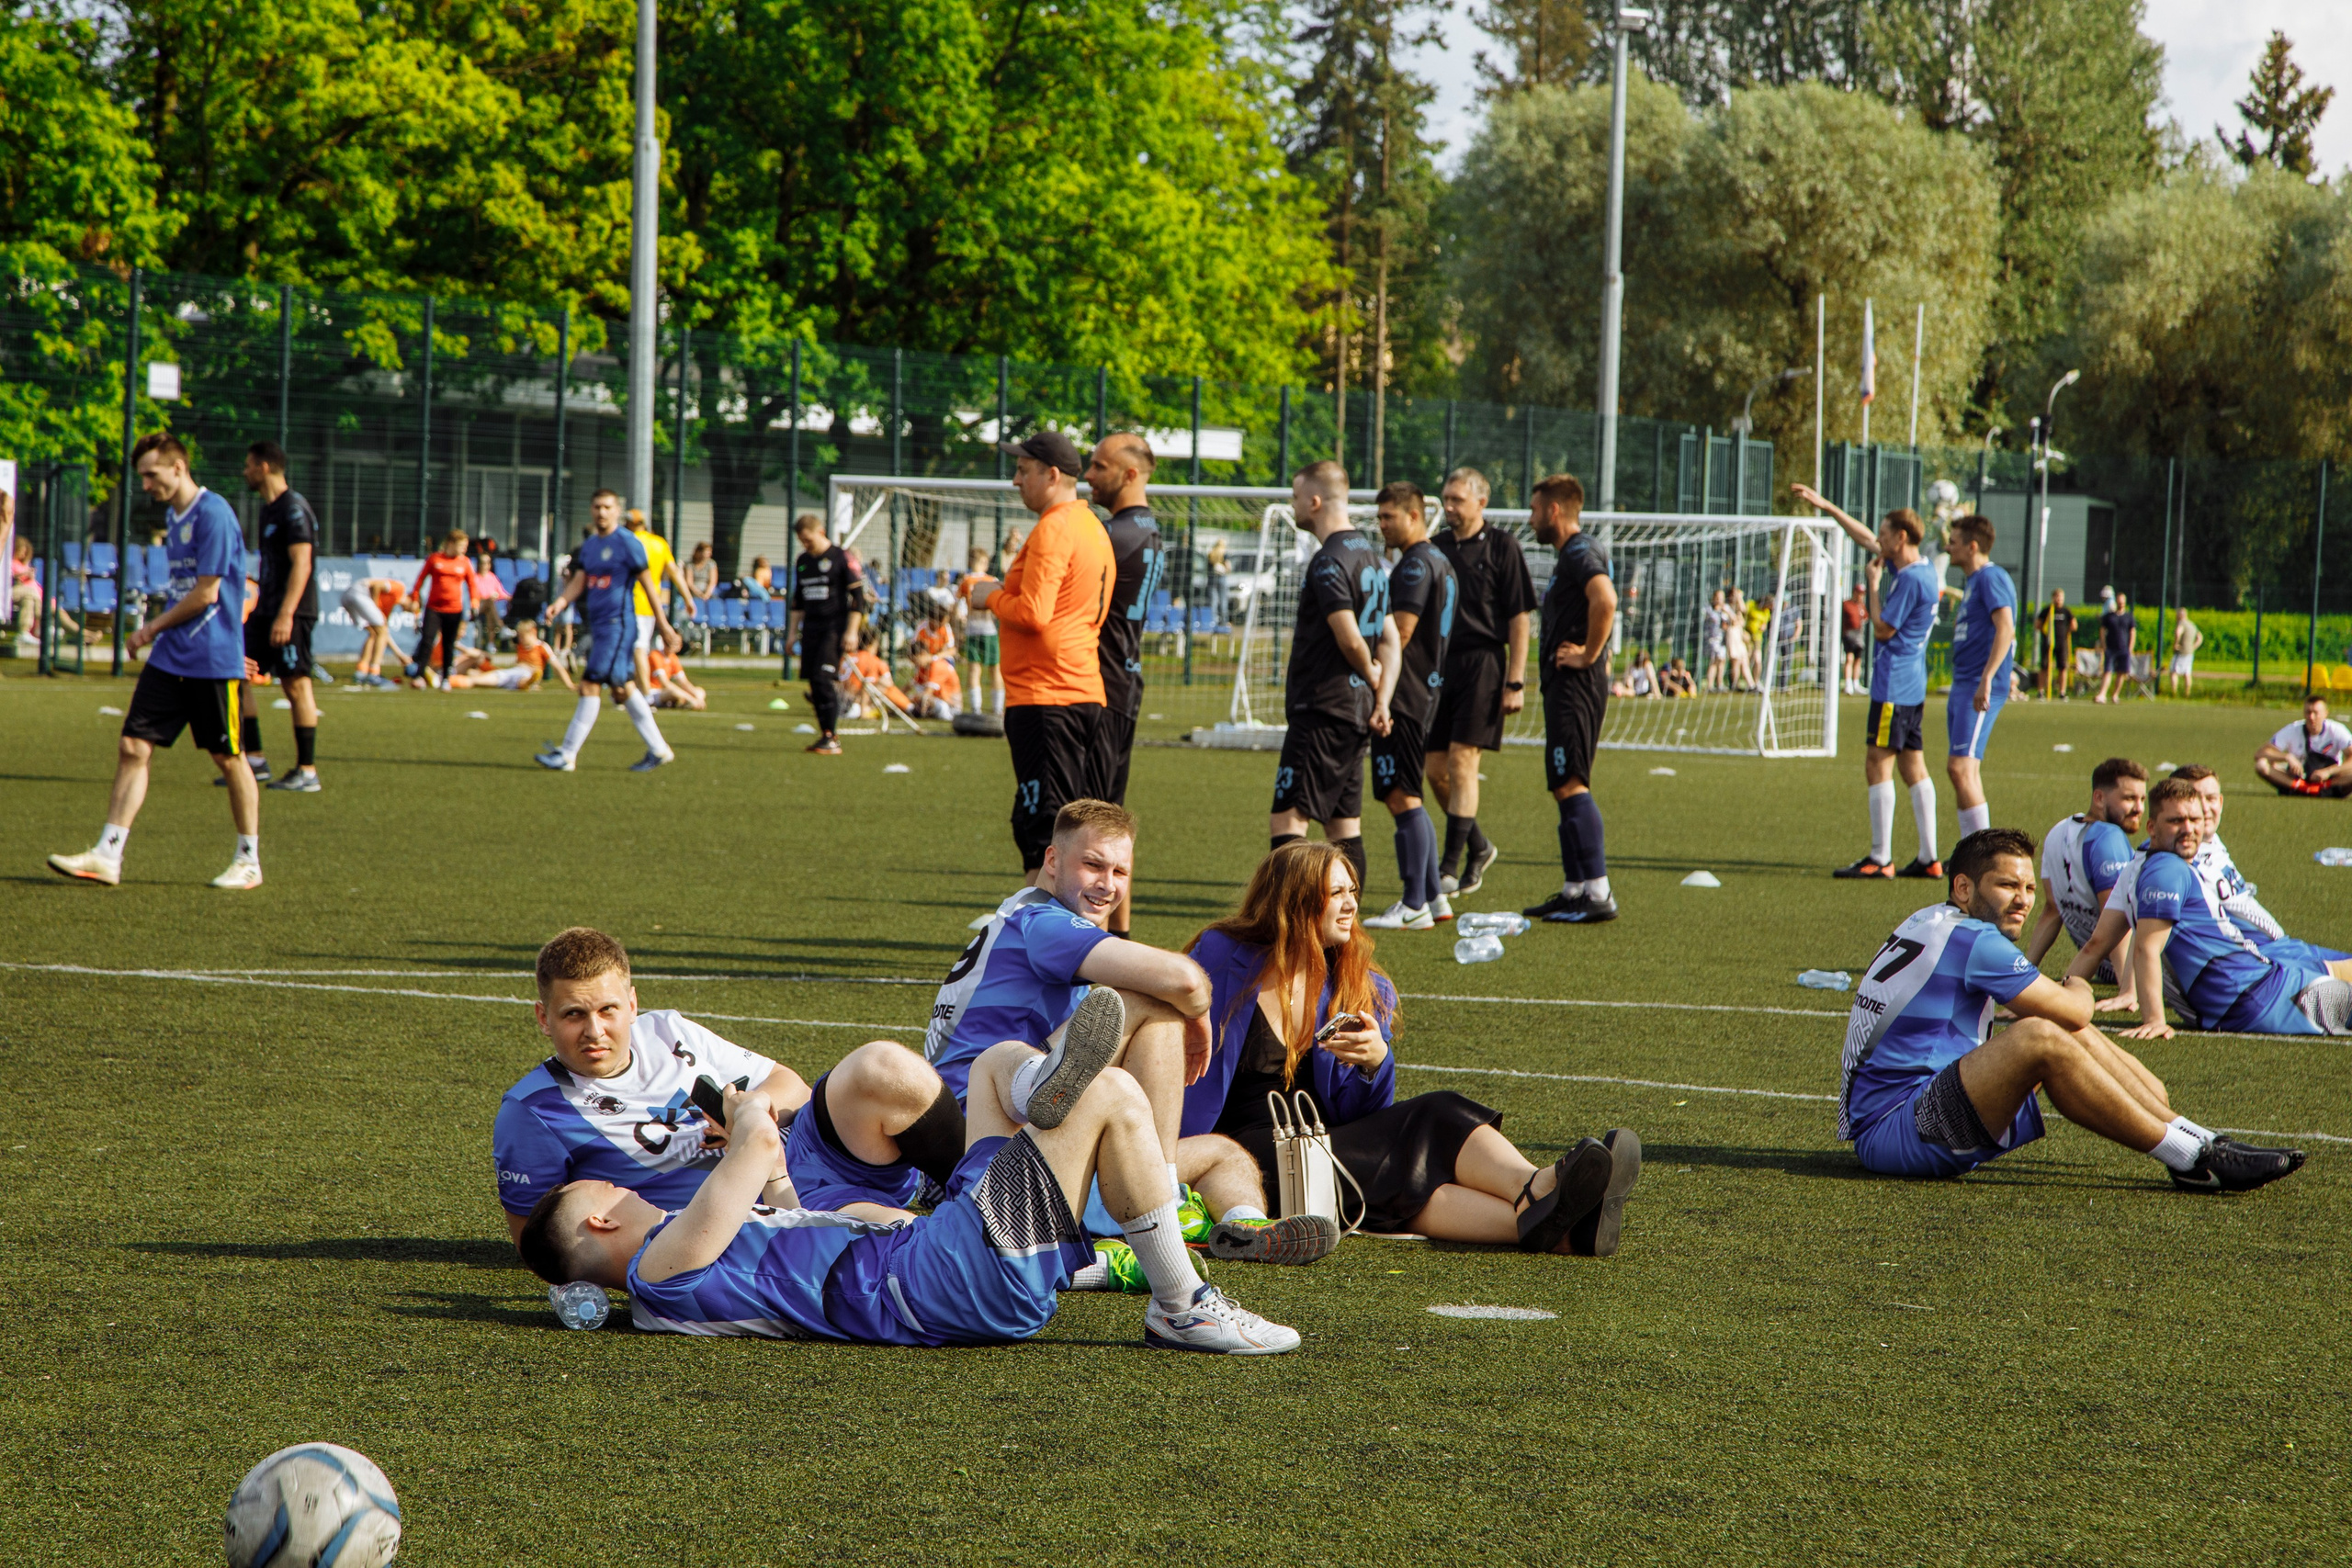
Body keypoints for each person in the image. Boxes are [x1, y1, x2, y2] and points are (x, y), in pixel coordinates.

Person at [517, 1012, 1306, 1354]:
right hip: (947, 1283)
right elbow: (758, 1135)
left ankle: (1044, 1096)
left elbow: (801, 1218)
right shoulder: (658, 1269)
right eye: (608, 1193)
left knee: (997, 1063)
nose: (626, 1190)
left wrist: (788, 1185)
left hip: (932, 1257)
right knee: (1116, 1096)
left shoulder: (685, 1268)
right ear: (600, 1227)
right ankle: (1183, 1303)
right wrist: (738, 1108)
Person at [1182, 840, 1643, 1253]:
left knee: (1403, 1183)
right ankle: (1540, 1189)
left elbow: (1365, 1112)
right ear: (1295, 899)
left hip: (1327, 1144)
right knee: (1432, 1120)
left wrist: (1374, 1062)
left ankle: (1563, 1229)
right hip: (1247, 1154)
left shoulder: (1360, 982)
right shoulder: (1223, 955)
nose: (1350, 905)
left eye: (1352, 891)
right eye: (1336, 892)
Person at [924, 800, 1324, 1264]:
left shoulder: (1026, 915)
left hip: (1022, 1122)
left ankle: (1244, 1226)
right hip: (986, 1141)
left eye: (1120, 872)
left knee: (1224, 1153)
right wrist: (1195, 1016)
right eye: (1092, 865)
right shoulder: (1042, 922)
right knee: (1150, 1003)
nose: (1107, 884)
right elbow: (1186, 981)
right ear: (1052, 861)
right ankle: (1161, 1198)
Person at [1840, 828, 2307, 1190]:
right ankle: (2193, 1159)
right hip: (1897, 1130)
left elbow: (2131, 1071)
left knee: (2052, 1026)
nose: (2023, 900)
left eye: (2027, 886)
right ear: (1963, 888)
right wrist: (2080, 982)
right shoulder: (1973, 939)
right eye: (2006, 885)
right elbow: (2076, 1011)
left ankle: (2200, 1140)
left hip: (1899, 1118)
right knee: (2043, 1033)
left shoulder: (1932, 919)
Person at [492, 927, 812, 1244]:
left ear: (632, 1005)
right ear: (544, 1018)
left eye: (608, 1010)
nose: (594, 1031)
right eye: (573, 1014)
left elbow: (794, 1088)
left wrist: (747, 1117)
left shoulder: (668, 1030)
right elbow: (535, 1243)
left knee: (859, 1073)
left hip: (809, 1174)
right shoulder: (533, 1111)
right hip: (728, 1236)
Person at [48, 434, 262, 890]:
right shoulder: (173, 515)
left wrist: (149, 630)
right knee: (133, 747)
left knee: (228, 758)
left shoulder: (215, 514)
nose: (145, 484)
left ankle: (248, 860)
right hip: (171, 658)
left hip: (208, 659)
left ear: (178, 468)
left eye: (151, 474)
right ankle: (108, 854)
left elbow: (207, 593)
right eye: (142, 475)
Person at [2070, 777, 2350, 1037]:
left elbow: (2096, 945)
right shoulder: (2167, 870)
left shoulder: (2140, 862)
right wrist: (2155, 1019)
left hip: (2262, 980)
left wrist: (2061, 1000)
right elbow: (2146, 948)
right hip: (2260, 997)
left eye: (2195, 819)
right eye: (2176, 820)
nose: (2189, 828)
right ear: (2153, 827)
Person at [967, 431, 1114, 877]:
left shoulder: (1054, 526)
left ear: (1052, 475)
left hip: (1047, 696)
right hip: (1079, 690)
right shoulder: (1091, 525)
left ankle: (1052, 943)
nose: (1015, 481)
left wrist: (988, 595)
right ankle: (1073, 939)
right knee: (1074, 830)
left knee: (1046, 833)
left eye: (1023, 471)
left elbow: (1033, 613)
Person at [1793, 484, 1941, 879]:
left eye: (1885, 534)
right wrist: (1827, 506)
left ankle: (1880, 858)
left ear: (1902, 537)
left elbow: (1881, 630)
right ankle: (1929, 857)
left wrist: (1872, 587)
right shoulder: (1922, 568)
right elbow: (1864, 537)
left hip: (1893, 683)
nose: (1878, 540)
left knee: (1877, 762)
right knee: (1914, 767)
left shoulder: (1908, 580)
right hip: (1913, 684)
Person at [1270, 460, 1393, 896]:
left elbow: (1350, 639)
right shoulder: (1372, 558)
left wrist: (1369, 672)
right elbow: (1390, 639)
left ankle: (1292, 928)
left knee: (1288, 821)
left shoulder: (1329, 560)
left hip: (1322, 707)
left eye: (1296, 497)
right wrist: (1381, 697)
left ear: (1315, 501)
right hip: (1355, 710)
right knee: (1344, 826)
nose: (1294, 505)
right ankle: (1348, 933)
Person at [1424, 467, 1534, 898]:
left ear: (1481, 502)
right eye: (1445, 499)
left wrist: (1516, 681)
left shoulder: (1503, 547)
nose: (1449, 507)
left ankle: (1449, 868)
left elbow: (1519, 619)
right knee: (1434, 770)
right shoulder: (1434, 548)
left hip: (1485, 665)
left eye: (1457, 500)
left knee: (1462, 762)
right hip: (1440, 669)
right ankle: (1478, 845)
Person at [1519, 474, 1621, 924]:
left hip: (1577, 685)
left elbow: (1606, 599)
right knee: (1564, 782)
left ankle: (1598, 893)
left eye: (1535, 509)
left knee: (1572, 781)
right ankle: (1576, 888)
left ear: (1555, 511)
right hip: (1565, 686)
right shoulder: (1570, 556)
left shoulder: (1581, 551)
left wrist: (1588, 655)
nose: (1531, 517)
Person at [533, 489, 684, 773]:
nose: (601, 513)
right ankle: (659, 750)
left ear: (617, 511)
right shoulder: (589, 546)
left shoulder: (628, 543)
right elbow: (580, 579)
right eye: (597, 507)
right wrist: (561, 602)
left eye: (607, 507)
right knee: (623, 688)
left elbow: (650, 585)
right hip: (600, 625)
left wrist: (663, 625)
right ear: (591, 510)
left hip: (619, 625)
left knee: (590, 684)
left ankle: (567, 755)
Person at [1362, 479, 1454, 931]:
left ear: (1413, 516)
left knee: (1402, 796)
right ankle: (1435, 898)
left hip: (1405, 693)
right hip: (1427, 691)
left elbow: (1401, 631)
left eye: (1388, 517)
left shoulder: (1416, 564)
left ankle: (1413, 901)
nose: (1382, 526)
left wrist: (1370, 670)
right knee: (1408, 794)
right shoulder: (1439, 558)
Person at [222, 443, 325, 792]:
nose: (245, 472)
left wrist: (286, 615)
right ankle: (255, 760)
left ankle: (307, 771)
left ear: (264, 467)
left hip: (291, 612)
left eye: (249, 466)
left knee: (296, 685)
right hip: (267, 610)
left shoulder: (293, 509)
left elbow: (303, 563)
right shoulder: (269, 510)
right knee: (237, 671)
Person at [1083, 434, 1162, 825]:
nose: (1088, 474)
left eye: (1100, 466)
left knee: (1090, 827)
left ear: (1130, 474)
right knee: (1106, 827)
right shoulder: (1146, 530)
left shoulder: (1113, 536)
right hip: (1124, 679)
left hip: (1103, 687)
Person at [2024, 757, 2147, 998]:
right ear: (2099, 798)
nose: (2139, 808)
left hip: (2100, 966)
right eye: (2129, 798)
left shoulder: (2058, 831)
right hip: (2138, 964)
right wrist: (2128, 989)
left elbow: (2052, 910)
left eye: (2142, 799)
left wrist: (2024, 971)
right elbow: (2116, 916)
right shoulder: (2109, 838)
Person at [1943, 514, 2015, 839]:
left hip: (1978, 684)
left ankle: (1983, 856)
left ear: (1973, 547)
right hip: (1964, 683)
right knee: (1961, 770)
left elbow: (2006, 628)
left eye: (1953, 542)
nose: (1948, 547)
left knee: (1961, 768)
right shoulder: (1973, 581)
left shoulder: (1990, 577)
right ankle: (1971, 852)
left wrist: (1987, 678)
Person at [786, 513, 860, 753]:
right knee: (814, 683)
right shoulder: (803, 561)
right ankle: (826, 735)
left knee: (822, 679)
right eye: (802, 542)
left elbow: (858, 598)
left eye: (808, 540)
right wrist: (791, 634)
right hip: (811, 629)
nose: (806, 545)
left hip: (834, 629)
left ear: (820, 532)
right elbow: (798, 601)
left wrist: (851, 631)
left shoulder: (840, 557)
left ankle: (832, 737)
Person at [628, 509, 695, 693]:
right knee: (637, 648)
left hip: (631, 603)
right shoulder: (659, 544)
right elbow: (674, 572)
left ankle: (645, 692)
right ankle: (632, 690)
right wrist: (688, 598)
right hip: (651, 605)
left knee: (638, 649)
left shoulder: (628, 541)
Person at [405, 528, 472, 688]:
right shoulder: (434, 559)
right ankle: (420, 676)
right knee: (427, 640)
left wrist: (475, 603)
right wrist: (415, 596)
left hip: (455, 610)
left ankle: (446, 678)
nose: (464, 549)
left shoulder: (465, 562)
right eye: (461, 545)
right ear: (451, 543)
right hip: (434, 608)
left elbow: (473, 585)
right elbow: (420, 580)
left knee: (448, 644)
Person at [2255, 694, 2352, 796]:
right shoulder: (2293, 729)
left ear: (2325, 714)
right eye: (2308, 712)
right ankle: (2302, 787)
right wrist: (2288, 757)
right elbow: (2260, 753)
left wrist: (2328, 771)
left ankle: (2322, 788)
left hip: (2329, 780)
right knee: (2261, 765)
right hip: (2298, 778)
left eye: (2316, 713)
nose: (2311, 717)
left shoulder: (2337, 730)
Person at [447, 619, 571, 692]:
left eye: (523, 636)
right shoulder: (520, 646)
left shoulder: (542, 647)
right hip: (514, 672)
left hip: (526, 672)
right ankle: (529, 683)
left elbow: (557, 667)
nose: (520, 639)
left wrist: (569, 684)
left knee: (478, 679)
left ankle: (448, 681)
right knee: (476, 675)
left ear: (533, 632)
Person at [958, 542, 1003, 715]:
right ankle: (997, 709)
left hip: (972, 629)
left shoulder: (966, 580)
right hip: (989, 629)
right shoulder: (992, 581)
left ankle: (976, 709)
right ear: (983, 562)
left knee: (974, 669)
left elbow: (958, 608)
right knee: (995, 669)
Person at [340, 575, 407, 688]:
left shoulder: (389, 605)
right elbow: (377, 585)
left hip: (347, 596)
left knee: (374, 634)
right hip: (359, 592)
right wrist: (375, 606)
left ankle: (361, 672)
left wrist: (399, 655)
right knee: (380, 632)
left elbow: (384, 635)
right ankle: (374, 674)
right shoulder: (400, 588)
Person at [2095, 592, 2137, 704]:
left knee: (2121, 673)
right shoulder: (2109, 617)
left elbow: (2132, 632)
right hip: (2111, 649)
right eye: (2119, 602)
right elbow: (2102, 631)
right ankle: (2102, 694)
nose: (2120, 604)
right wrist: (2104, 646)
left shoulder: (2129, 617)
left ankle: (2115, 695)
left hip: (2124, 649)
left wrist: (2130, 648)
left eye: (2122, 602)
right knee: (2107, 671)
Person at [2034, 588, 2072, 699]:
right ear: (2053, 598)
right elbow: (2038, 625)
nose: (2059, 599)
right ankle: (2041, 691)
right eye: (2057, 597)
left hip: (2061, 643)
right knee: (2044, 666)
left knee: (2062, 667)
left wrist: (2066, 632)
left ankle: (2062, 692)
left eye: (2061, 597)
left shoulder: (2066, 611)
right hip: (2048, 643)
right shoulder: (2047, 610)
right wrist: (2045, 632)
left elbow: (2074, 625)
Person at [646, 645, 707, 710]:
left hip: (665, 691)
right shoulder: (655, 655)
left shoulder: (673, 657)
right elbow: (665, 683)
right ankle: (687, 702)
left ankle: (685, 703)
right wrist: (692, 699)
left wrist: (699, 699)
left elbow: (684, 682)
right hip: (653, 692)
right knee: (674, 692)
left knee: (700, 691)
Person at [1839, 581, 1868, 695]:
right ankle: (1848, 684)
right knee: (1849, 658)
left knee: (1858, 659)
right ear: (1854, 592)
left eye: (1862, 593)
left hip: (1859, 634)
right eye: (1859, 593)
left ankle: (1856, 683)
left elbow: (1865, 618)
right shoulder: (1846, 604)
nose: (1860, 595)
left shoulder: (1861, 606)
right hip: (1849, 634)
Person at [2169, 608, 2201, 696]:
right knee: (2187, 673)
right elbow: (2200, 638)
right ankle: (2187, 693)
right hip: (2190, 653)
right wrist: (2193, 647)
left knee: (2173, 672)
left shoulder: (2181, 623)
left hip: (2181, 652)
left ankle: (2174, 692)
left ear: (2180, 615)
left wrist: (2175, 644)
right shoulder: (2192, 625)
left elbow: (2178, 632)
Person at [1702, 587, 1729, 692]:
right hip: (1712, 639)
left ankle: (1719, 683)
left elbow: (1732, 621)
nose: (1719, 600)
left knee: (1722, 660)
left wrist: (1726, 612)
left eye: (1721, 598)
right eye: (1717, 597)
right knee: (1714, 660)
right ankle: (1709, 685)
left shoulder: (1724, 611)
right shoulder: (1710, 610)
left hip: (1722, 639)